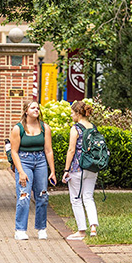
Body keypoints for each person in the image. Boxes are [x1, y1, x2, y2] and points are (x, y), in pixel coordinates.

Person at [9, 100, 56, 240]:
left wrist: (52, 171)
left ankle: (41, 228)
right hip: (24, 161)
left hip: (40, 161)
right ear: (26, 111)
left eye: (38, 108)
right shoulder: (18, 128)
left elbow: (48, 150)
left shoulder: (44, 127)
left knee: (42, 195)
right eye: (33, 107)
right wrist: (21, 172)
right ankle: (20, 229)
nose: (36, 110)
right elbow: (14, 151)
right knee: (24, 195)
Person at [63, 100, 99, 240]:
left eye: (72, 113)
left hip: (77, 167)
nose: (71, 116)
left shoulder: (75, 128)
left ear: (78, 113)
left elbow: (71, 150)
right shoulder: (93, 127)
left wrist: (66, 169)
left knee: (76, 198)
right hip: (92, 167)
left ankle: (81, 231)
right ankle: (93, 227)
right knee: (88, 197)